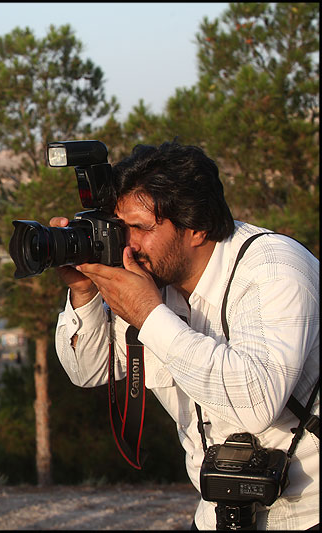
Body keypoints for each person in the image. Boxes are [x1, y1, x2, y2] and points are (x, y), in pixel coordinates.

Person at [52, 142, 319, 530]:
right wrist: (85, 292)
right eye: (120, 226)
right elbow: (88, 369)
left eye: (141, 228)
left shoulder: (274, 269)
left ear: (198, 229)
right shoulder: (154, 279)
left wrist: (148, 314)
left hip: (306, 512)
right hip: (216, 514)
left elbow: (256, 403)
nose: (127, 243)